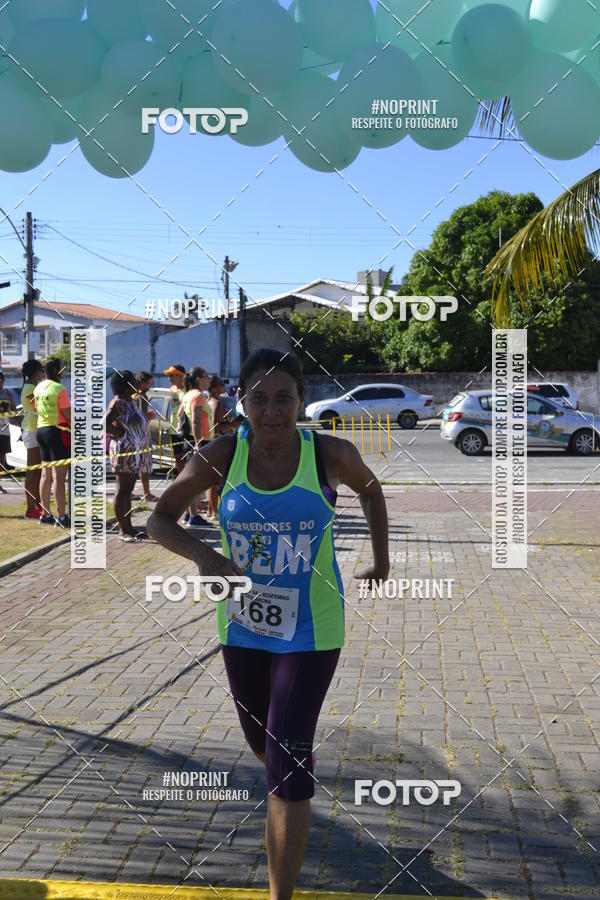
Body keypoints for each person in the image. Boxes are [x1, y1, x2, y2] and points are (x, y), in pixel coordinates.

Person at [147, 348, 389, 900]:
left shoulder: (330, 454)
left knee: (285, 756)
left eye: (284, 397)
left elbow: (372, 491)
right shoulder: (220, 455)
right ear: (243, 401)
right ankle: (285, 764)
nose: (273, 409)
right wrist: (204, 557)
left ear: (302, 401)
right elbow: (159, 519)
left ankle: (281, 891)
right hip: (242, 627)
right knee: (262, 741)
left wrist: (382, 559)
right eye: (260, 397)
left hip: (313, 627)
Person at [104, 369, 152, 542]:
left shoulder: (130, 401)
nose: (137, 384)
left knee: (128, 491)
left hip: (134, 452)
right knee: (122, 490)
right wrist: (119, 434)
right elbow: (105, 423)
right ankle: (123, 531)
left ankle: (129, 528)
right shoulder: (118, 402)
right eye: (133, 381)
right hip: (125, 451)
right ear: (125, 384)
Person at [34, 358, 71, 527]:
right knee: (58, 477)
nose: (65, 371)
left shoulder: (39, 387)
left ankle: (45, 514)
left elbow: (36, 408)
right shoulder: (59, 388)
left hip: (41, 430)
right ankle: (62, 517)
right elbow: (67, 414)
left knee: (45, 475)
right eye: (63, 368)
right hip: (56, 430)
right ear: (57, 371)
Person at [178, 366, 211, 527]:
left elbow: (179, 416)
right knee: (196, 481)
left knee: (191, 480)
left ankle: (188, 514)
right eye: (206, 376)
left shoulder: (187, 395)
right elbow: (196, 421)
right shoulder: (198, 395)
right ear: (198, 378)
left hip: (190, 441)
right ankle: (194, 516)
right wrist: (199, 444)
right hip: (200, 442)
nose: (208, 380)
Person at [206, 374, 234, 520]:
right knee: (217, 480)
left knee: (213, 480)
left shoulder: (209, 401)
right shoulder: (216, 403)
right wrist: (234, 424)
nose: (224, 387)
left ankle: (211, 511)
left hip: (214, 443)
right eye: (222, 384)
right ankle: (214, 512)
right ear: (216, 387)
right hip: (220, 443)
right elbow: (216, 428)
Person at [21, 359, 44, 519]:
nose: (42, 374)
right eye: (41, 371)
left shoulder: (33, 386)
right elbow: (37, 405)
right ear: (36, 372)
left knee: (37, 472)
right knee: (32, 472)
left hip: (36, 430)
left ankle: (37, 505)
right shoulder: (29, 387)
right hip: (31, 430)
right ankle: (30, 509)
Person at [134, 371, 159, 503]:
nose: (150, 386)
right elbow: (142, 418)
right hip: (142, 436)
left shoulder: (133, 395)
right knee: (144, 466)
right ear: (143, 383)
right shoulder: (142, 397)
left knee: (135, 465)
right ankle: (147, 493)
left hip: (134, 436)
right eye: (149, 383)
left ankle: (134, 492)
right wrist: (149, 416)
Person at [163, 364, 188, 475]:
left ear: (181, 376)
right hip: (174, 428)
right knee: (178, 457)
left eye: (172, 375)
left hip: (187, 428)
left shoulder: (188, 390)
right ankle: (181, 479)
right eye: (169, 375)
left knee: (189, 456)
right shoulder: (172, 390)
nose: (169, 378)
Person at [0, 371, 16, 475]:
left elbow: (14, 411)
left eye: (1, 381)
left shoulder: (8, 394)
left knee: (2, 457)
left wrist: (10, 412)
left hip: (5, 430)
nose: (0, 384)